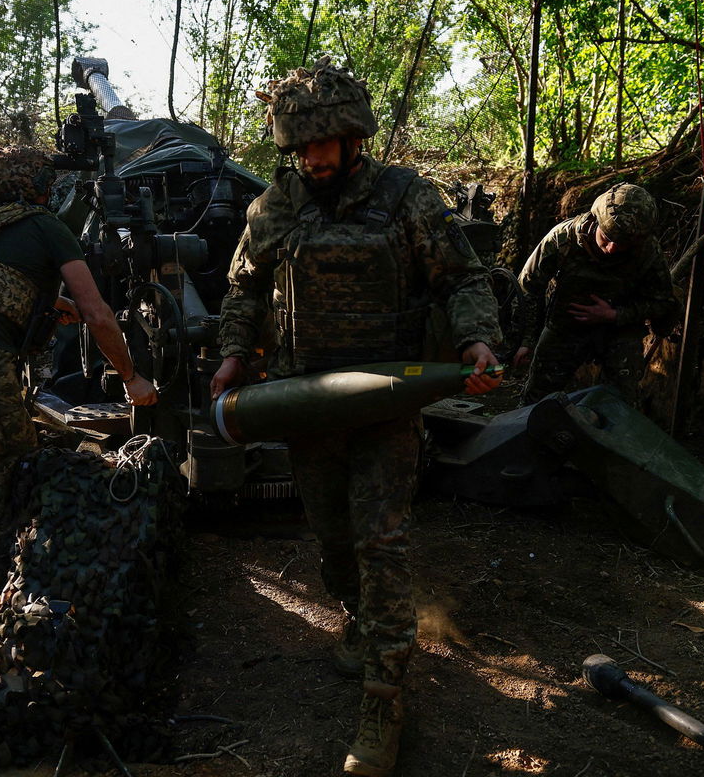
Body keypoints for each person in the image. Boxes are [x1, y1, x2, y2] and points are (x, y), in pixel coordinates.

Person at [210, 58, 502, 777]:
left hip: (385, 399)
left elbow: (462, 277)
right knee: (331, 531)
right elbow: (244, 291)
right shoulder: (274, 206)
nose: (314, 157)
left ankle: (384, 695)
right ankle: (356, 617)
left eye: (326, 144)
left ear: (354, 139)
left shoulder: (407, 198)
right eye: (302, 146)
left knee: (382, 540)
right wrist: (233, 355)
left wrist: (476, 337)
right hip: (307, 402)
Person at [0, 145, 157, 613]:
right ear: (42, 186)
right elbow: (97, 311)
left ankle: (9, 578)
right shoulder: (47, 226)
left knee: (7, 455)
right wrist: (131, 377)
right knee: (9, 475)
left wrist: (52, 306)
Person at [513, 182, 678, 406]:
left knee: (620, 403)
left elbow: (663, 303)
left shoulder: (648, 253)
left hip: (619, 330)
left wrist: (615, 315)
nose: (611, 249)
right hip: (565, 327)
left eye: (622, 245)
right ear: (595, 222)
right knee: (536, 400)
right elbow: (528, 288)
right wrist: (526, 340)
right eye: (607, 238)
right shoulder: (563, 239)